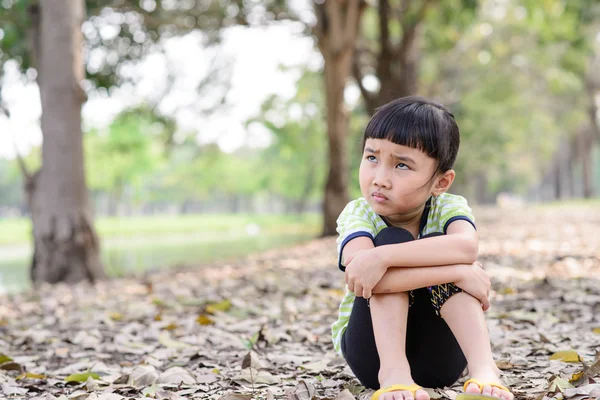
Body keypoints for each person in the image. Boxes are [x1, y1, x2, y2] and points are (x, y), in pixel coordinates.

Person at [331, 96, 513, 400]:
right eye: (372, 157)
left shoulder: (448, 208)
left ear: (440, 182)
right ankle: (395, 374)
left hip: (441, 359)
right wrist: (458, 272)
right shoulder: (358, 214)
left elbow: (465, 247)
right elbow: (366, 276)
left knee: (430, 245)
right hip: (372, 355)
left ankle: (484, 369)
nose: (380, 179)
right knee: (393, 239)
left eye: (401, 165)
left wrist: (384, 259)